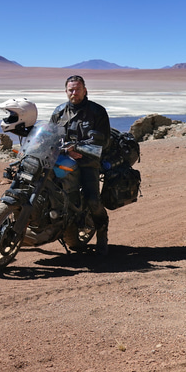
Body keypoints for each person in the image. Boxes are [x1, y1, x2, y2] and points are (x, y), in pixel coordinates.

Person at [50, 75, 111, 255]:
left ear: (85, 91)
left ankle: (102, 234)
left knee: (93, 200)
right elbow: (50, 134)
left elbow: (103, 141)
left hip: (88, 161)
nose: (74, 93)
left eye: (77, 89)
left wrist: (78, 149)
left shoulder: (97, 111)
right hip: (62, 159)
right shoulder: (59, 111)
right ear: (66, 91)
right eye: (71, 90)